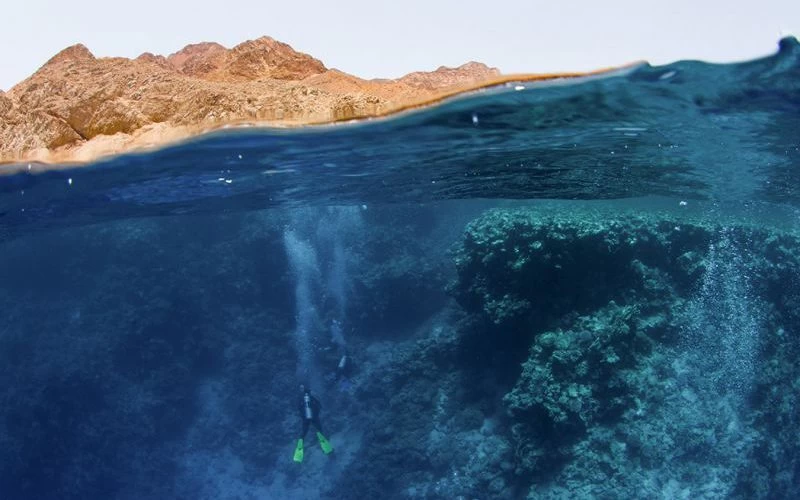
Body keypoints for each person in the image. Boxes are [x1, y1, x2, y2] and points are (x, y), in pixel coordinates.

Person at [293, 384, 333, 463]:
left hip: (305, 419)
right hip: (314, 417)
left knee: (303, 434)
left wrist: (303, 417)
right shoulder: (312, 396)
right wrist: (316, 414)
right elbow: (319, 405)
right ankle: (328, 451)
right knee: (319, 432)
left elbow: (299, 409)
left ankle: (298, 454)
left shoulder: (300, 398)